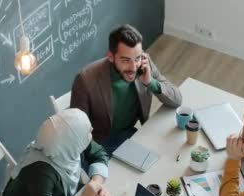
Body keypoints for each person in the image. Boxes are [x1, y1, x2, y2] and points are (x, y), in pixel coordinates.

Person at [70, 24, 182, 154]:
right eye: (125, 60)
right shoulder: (85, 79)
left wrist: (150, 82)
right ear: (111, 56)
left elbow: (177, 99)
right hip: (97, 145)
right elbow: (77, 131)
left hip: (129, 136)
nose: (134, 67)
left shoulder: (144, 65)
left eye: (137, 58)